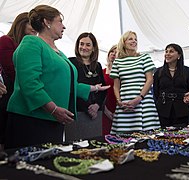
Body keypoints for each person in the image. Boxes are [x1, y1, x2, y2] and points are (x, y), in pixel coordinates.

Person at [5, 5, 109, 149]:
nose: (64, 26)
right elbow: (30, 83)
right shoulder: (31, 43)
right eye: (60, 21)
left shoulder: (58, 52)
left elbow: (67, 83)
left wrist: (94, 88)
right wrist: (53, 109)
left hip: (52, 119)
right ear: (46, 22)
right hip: (31, 119)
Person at [110, 30, 160, 134]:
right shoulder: (117, 62)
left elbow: (150, 80)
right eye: (130, 39)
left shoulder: (144, 57)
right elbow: (116, 86)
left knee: (148, 138)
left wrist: (139, 98)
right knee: (123, 140)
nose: (134, 41)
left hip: (144, 103)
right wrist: (119, 101)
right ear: (124, 42)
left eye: (135, 39)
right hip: (125, 105)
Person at [0, 12, 37, 151]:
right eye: (31, 23)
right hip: (6, 96)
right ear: (21, 24)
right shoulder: (6, 41)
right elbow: (12, 71)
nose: (35, 28)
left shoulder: (31, 46)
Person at [65, 32, 107, 141]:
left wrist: (97, 105)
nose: (84, 47)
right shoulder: (70, 63)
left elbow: (103, 90)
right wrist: (87, 108)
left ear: (93, 48)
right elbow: (72, 88)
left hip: (95, 114)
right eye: (81, 44)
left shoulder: (97, 66)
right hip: (77, 113)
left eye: (88, 45)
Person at [153, 43, 189, 128]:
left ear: (179, 55)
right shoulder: (158, 72)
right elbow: (156, 91)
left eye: (171, 51)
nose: (167, 54)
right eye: (166, 51)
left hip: (181, 109)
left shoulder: (187, 71)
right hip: (163, 109)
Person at [102, 45, 117, 135]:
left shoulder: (122, 72)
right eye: (112, 51)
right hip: (105, 108)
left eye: (116, 52)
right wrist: (105, 109)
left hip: (118, 108)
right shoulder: (102, 71)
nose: (113, 54)